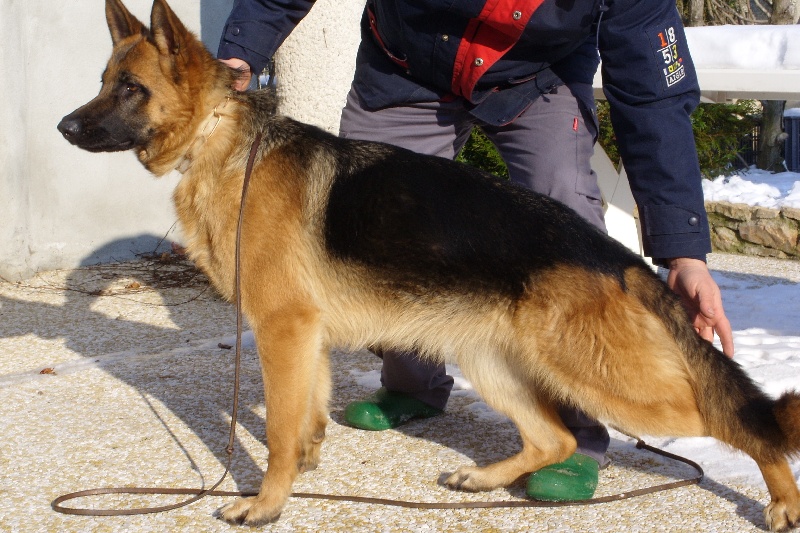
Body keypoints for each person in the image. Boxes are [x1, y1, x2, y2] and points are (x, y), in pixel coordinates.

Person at [217, 0, 734, 501]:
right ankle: (412, 384)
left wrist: (684, 253)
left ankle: (574, 428)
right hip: (408, 63)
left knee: (566, 216)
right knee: (372, 221)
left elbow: (654, 97)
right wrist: (242, 49)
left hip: (535, 75)